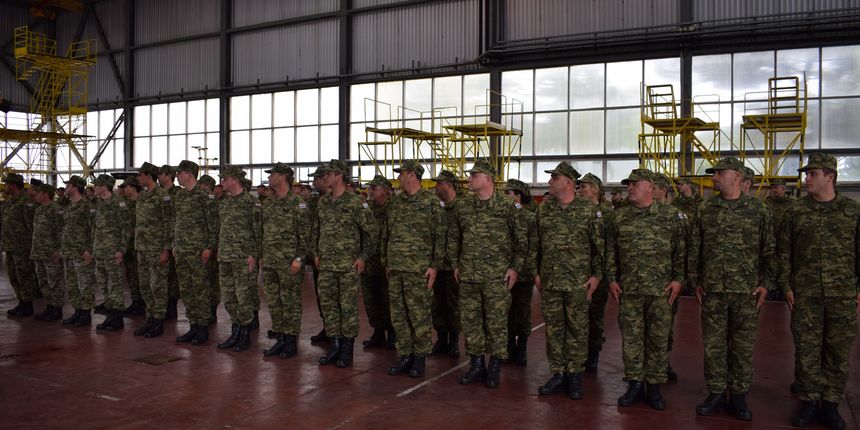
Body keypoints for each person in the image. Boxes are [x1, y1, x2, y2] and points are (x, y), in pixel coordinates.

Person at [689, 157, 775, 421]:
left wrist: (766, 284)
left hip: (746, 291)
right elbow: (695, 247)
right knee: (713, 345)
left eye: (719, 173)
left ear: (737, 176)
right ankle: (715, 392)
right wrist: (695, 281)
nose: (714, 177)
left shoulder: (758, 210)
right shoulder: (705, 209)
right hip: (713, 289)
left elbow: (769, 249)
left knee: (742, 346)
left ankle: (738, 395)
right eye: (713, 173)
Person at [779, 154, 859, 430]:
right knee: (807, 350)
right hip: (806, 294)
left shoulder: (852, 211)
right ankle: (809, 400)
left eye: (812, 174)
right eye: (806, 174)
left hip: (842, 295)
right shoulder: (796, 211)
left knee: (837, 351)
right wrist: (787, 284)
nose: (807, 179)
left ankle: (831, 404)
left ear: (830, 177)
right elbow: (784, 251)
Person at [608, 169, 685, 410]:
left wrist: (679, 279)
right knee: (631, 339)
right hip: (629, 289)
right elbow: (610, 251)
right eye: (628, 184)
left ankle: (654, 387)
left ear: (650, 187)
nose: (629, 188)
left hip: (661, 290)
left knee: (657, 340)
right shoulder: (619, 217)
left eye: (634, 184)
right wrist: (611, 278)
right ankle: (634, 384)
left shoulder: (672, 216)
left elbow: (681, 251)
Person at [448, 159, 527, 389]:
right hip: (469, 276)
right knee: (471, 322)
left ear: (488, 178)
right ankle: (476, 364)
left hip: (496, 277)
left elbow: (522, 241)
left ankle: (494, 366)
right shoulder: (464, 206)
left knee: (496, 323)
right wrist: (455, 264)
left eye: (474, 175)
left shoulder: (507, 206)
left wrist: (515, 267)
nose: (470, 179)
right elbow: (454, 237)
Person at [533, 162, 602, 400]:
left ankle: (574, 375)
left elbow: (599, 248)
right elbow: (536, 243)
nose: (550, 181)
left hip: (578, 282)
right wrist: (535, 271)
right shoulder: (545, 209)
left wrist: (596, 276)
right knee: (554, 329)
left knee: (577, 330)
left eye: (554, 177)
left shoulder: (587, 210)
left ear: (569, 183)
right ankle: (558, 373)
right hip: (550, 280)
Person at [312, 159, 377, 368]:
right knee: (330, 307)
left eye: (329, 174)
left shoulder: (355, 202)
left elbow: (371, 232)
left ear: (339, 175)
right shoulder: (323, 202)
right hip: (327, 265)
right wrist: (315, 253)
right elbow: (316, 230)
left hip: (347, 265)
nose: (325, 177)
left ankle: (347, 350)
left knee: (347, 308)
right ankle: (335, 346)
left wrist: (363, 257)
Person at [384, 160, 445, 378]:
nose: (398, 177)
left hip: (419, 270)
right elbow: (387, 234)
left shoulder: (431, 202)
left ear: (412, 174)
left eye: (401, 173)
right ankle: (405, 355)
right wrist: (386, 260)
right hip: (396, 268)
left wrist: (434, 265)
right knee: (399, 315)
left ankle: (419, 357)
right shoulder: (395, 203)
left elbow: (440, 236)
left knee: (419, 315)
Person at [260, 163, 310, 359]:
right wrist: (263, 255)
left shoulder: (298, 203)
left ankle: (291, 341)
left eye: (272, 174)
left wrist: (299, 258)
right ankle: (281, 338)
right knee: (274, 302)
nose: (269, 178)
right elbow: (265, 233)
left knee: (290, 302)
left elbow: (305, 235)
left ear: (283, 177)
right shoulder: (269, 203)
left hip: (290, 262)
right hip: (271, 262)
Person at [216, 167, 262, 352]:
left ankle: (244, 334)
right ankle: (235, 330)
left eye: (224, 179)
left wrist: (254, 255)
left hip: (244, 258)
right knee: (229, 297)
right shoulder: (225, 203)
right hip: (226, 256)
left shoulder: (251, 202)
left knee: (244, 298)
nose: (222, 182)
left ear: (235, 180)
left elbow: (259, 231)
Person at [173, 160, 218, 345]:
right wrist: (174, 243)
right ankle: (193, 325)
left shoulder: (205, 195)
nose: (177, 176)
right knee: (186, 289)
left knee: (200, 289)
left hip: (198, 250)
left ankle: (202, 328)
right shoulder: (181, 196)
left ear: (189, 174)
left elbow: (213, 224)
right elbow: (176, 221)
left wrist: (210, 246)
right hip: (182, 250)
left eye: (179, 173)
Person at [133, 162, 175, 338]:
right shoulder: (142, 196)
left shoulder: (162, 196)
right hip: (142, 248)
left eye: (140, 175)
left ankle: (158, 320)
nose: (138, 178)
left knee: (157, 286)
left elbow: (169, 223)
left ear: (148, 176)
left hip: (157, 249)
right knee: (145, 285)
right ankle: (150, 318)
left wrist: (166, 249)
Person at [577, 172, 612, 372]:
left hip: (600, 274)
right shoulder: (579, 210)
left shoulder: (608, 212)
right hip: (579, 272)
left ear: (596, 189)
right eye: (580, 187)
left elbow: (609, 245)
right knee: (579, 316)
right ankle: (579, 354)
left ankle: (593, 354)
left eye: (585, 186)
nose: (581, 190)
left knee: (595, 316)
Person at [502, 178, 537, 366]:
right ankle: (508, 346)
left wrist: (530, 270)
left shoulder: (531, 218)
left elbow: (533, 247)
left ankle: (521, 348)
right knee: (506, 311)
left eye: (508, 193)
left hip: (523, 275)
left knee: (521, 312)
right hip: (505, 272)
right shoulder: (503, 216)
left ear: (518, 196)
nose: (505, 197)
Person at [92, 174, 131, 332]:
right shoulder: (99, 203)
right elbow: (95, 227)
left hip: (112, 251)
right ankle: (110, 315)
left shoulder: (118, 204)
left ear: (103, 186)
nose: (94, 187)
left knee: (114, 285)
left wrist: (121, 249)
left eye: (97, 185)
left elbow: (126, 228)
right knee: (104, 285)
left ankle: (117, 318)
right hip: (100, 251)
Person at [429, 170, 461, 358]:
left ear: (448, 185)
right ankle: (441, 339)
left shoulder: (462, 208)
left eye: (439, 183)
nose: (436, 187)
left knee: (454, 305)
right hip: (436, 265)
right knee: (437, 304)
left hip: (454, 266)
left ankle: (454, 341)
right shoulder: (436, 207)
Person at [361, 174, 395, 349]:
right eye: (370, 188)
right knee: (371, 300)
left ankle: (392, 333)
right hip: (369, 262)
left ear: (386, 191)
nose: (371, 191)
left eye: (374, 188)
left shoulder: (394, 208)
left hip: (386, 264)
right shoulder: (368, 209)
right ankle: (378, 332)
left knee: (388, 300)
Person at [60, 175, 97, 326]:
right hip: (69, 251)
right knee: (72, 284)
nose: (66, 188)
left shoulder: (86, 206)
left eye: (68, 185)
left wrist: (89, 250)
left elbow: (94, 229)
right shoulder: (68, 207)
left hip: (82, 252)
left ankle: (86, 314)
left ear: (75, 187)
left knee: (85, 284)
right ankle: (78, 311)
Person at [2, 173, 38, 317]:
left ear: (14, 185)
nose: (5, 186)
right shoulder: (10, 202)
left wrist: (31, 245)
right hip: (10, 245)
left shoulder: (26, 203)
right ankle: (21, 302)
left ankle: (28, 305)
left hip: (23, 247)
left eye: (7, 184)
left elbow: (31, 226)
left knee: (25, 276)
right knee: (14, 276)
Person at [30, 182, 65, 321]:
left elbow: (61, 231)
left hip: (51, 253)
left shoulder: (56, 209)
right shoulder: (39, 209)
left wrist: (59, 250)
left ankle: (57, 309)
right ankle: (49, 306)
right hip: (38, 251)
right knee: (43, 281)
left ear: (45, 194)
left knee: (54, 281)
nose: (35, 196)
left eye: (38, 193)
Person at [120, 176, 145, 316]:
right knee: (131, 275)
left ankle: (142, 302)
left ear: (134, 187)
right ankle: (135, 301)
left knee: (140, 275)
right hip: (128, 245)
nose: (125, 189)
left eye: (127, 187)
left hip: (140, 245)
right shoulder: (125, 204)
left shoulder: (142, 202)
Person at [158, 165, 181, 321]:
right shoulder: (158, 193)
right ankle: (163, 307)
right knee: (161, 277)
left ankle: (171, 308)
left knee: (173, 277)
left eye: (161, 174)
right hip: (159, 238)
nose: (158, 176)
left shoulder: (178, 193)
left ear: (168, 176)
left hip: (174, 239)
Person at [197, 174, 220, 324]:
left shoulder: (212, 202)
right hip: (205, 245)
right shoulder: (203, 200)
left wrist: (212, 246)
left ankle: (212, 311)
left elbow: (215, 226)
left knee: (211, 281)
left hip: (212, 247)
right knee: (205, 281)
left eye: (202, 185)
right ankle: (206, 310)